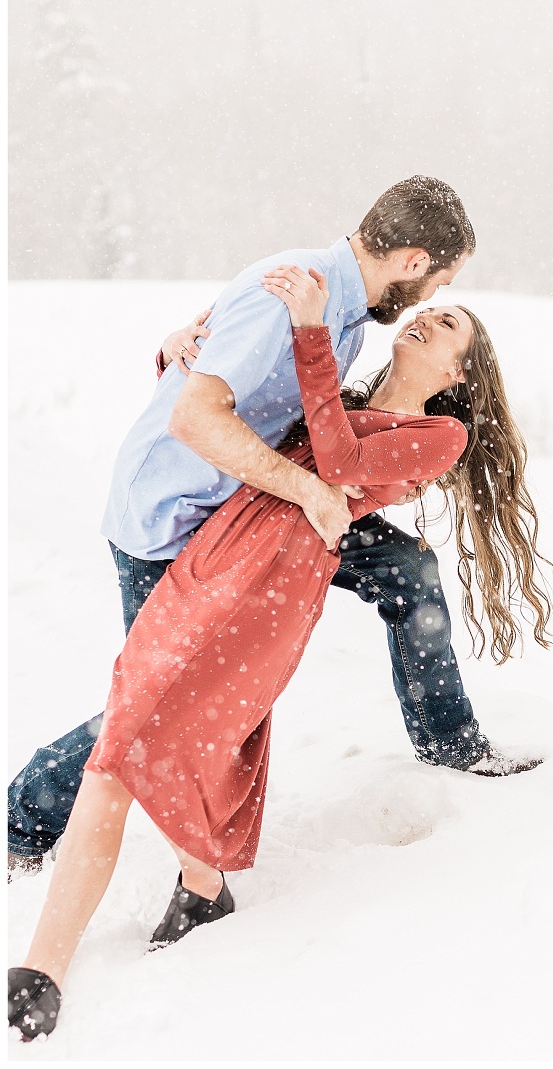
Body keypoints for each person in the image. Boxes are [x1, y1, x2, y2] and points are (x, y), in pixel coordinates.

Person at [8, 270, 553, 1041]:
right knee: (149, 724)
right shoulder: (346, 385)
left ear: (461, 373)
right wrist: (179, 358)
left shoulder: (439, 435)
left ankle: (64, 932)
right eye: (429, 310)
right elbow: (244, 412)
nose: (428, 318)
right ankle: (190, 886)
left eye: (450, 323)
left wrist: (306, 331)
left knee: (163, 735)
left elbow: (334, 458)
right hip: (216, 555)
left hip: (275, 585)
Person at [7, 176, 519, 881]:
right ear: (410, 260)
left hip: (266, 514)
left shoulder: (339, 315)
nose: (429, 300)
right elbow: (197, 416)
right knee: (155, 706)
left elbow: (305, 419)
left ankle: (449, 740)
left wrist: (186, 350)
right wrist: (308, 483)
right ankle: (26, 816)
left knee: (410, 573)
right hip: (178, 522)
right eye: (438, 280)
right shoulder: (295, 296)